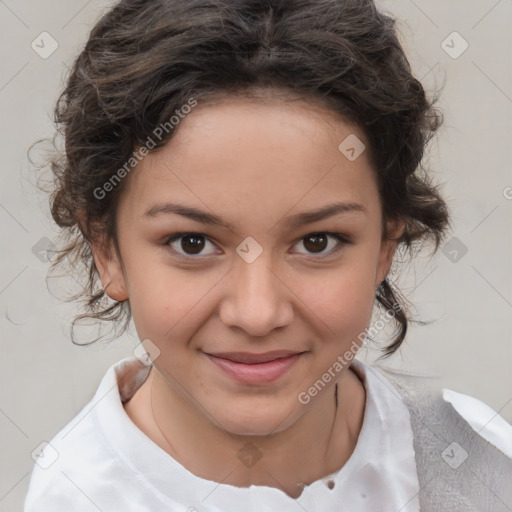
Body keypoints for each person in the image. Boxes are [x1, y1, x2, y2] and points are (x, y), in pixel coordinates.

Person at [24, 0, 512, 511]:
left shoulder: (477, 464)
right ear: (108, 252)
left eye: (317, 242)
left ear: (385, 245)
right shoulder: (73, 498)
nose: (257, 314)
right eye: (192, 243)